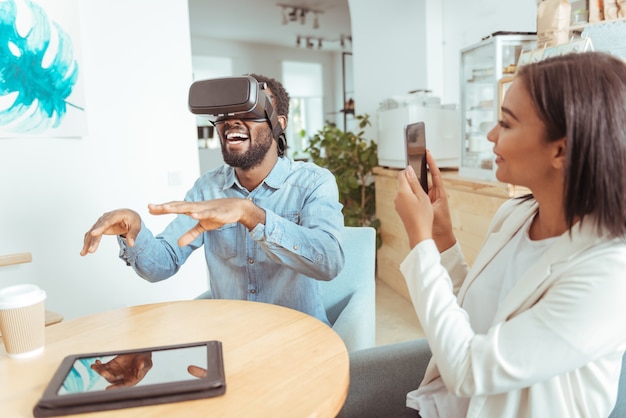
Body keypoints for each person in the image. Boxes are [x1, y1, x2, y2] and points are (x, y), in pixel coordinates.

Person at [393, 51, 626, 417]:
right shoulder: (515, 214)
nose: (490, 135)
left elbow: (470, 371)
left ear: (561, 150)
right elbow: (475, 316)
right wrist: (441, 238)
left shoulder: (607, 275)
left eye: (507, 123)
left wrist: (419, 242)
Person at [80, 73, 345, 325]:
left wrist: (251, 215)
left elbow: (329, 262)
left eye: (249, 111)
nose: (232, 121)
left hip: (300, 340)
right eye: (225, 114)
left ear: (279, 124)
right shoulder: (208, 189)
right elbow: (162, 264)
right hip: (234, 341)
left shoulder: (313, 182)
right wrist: (134, 231)